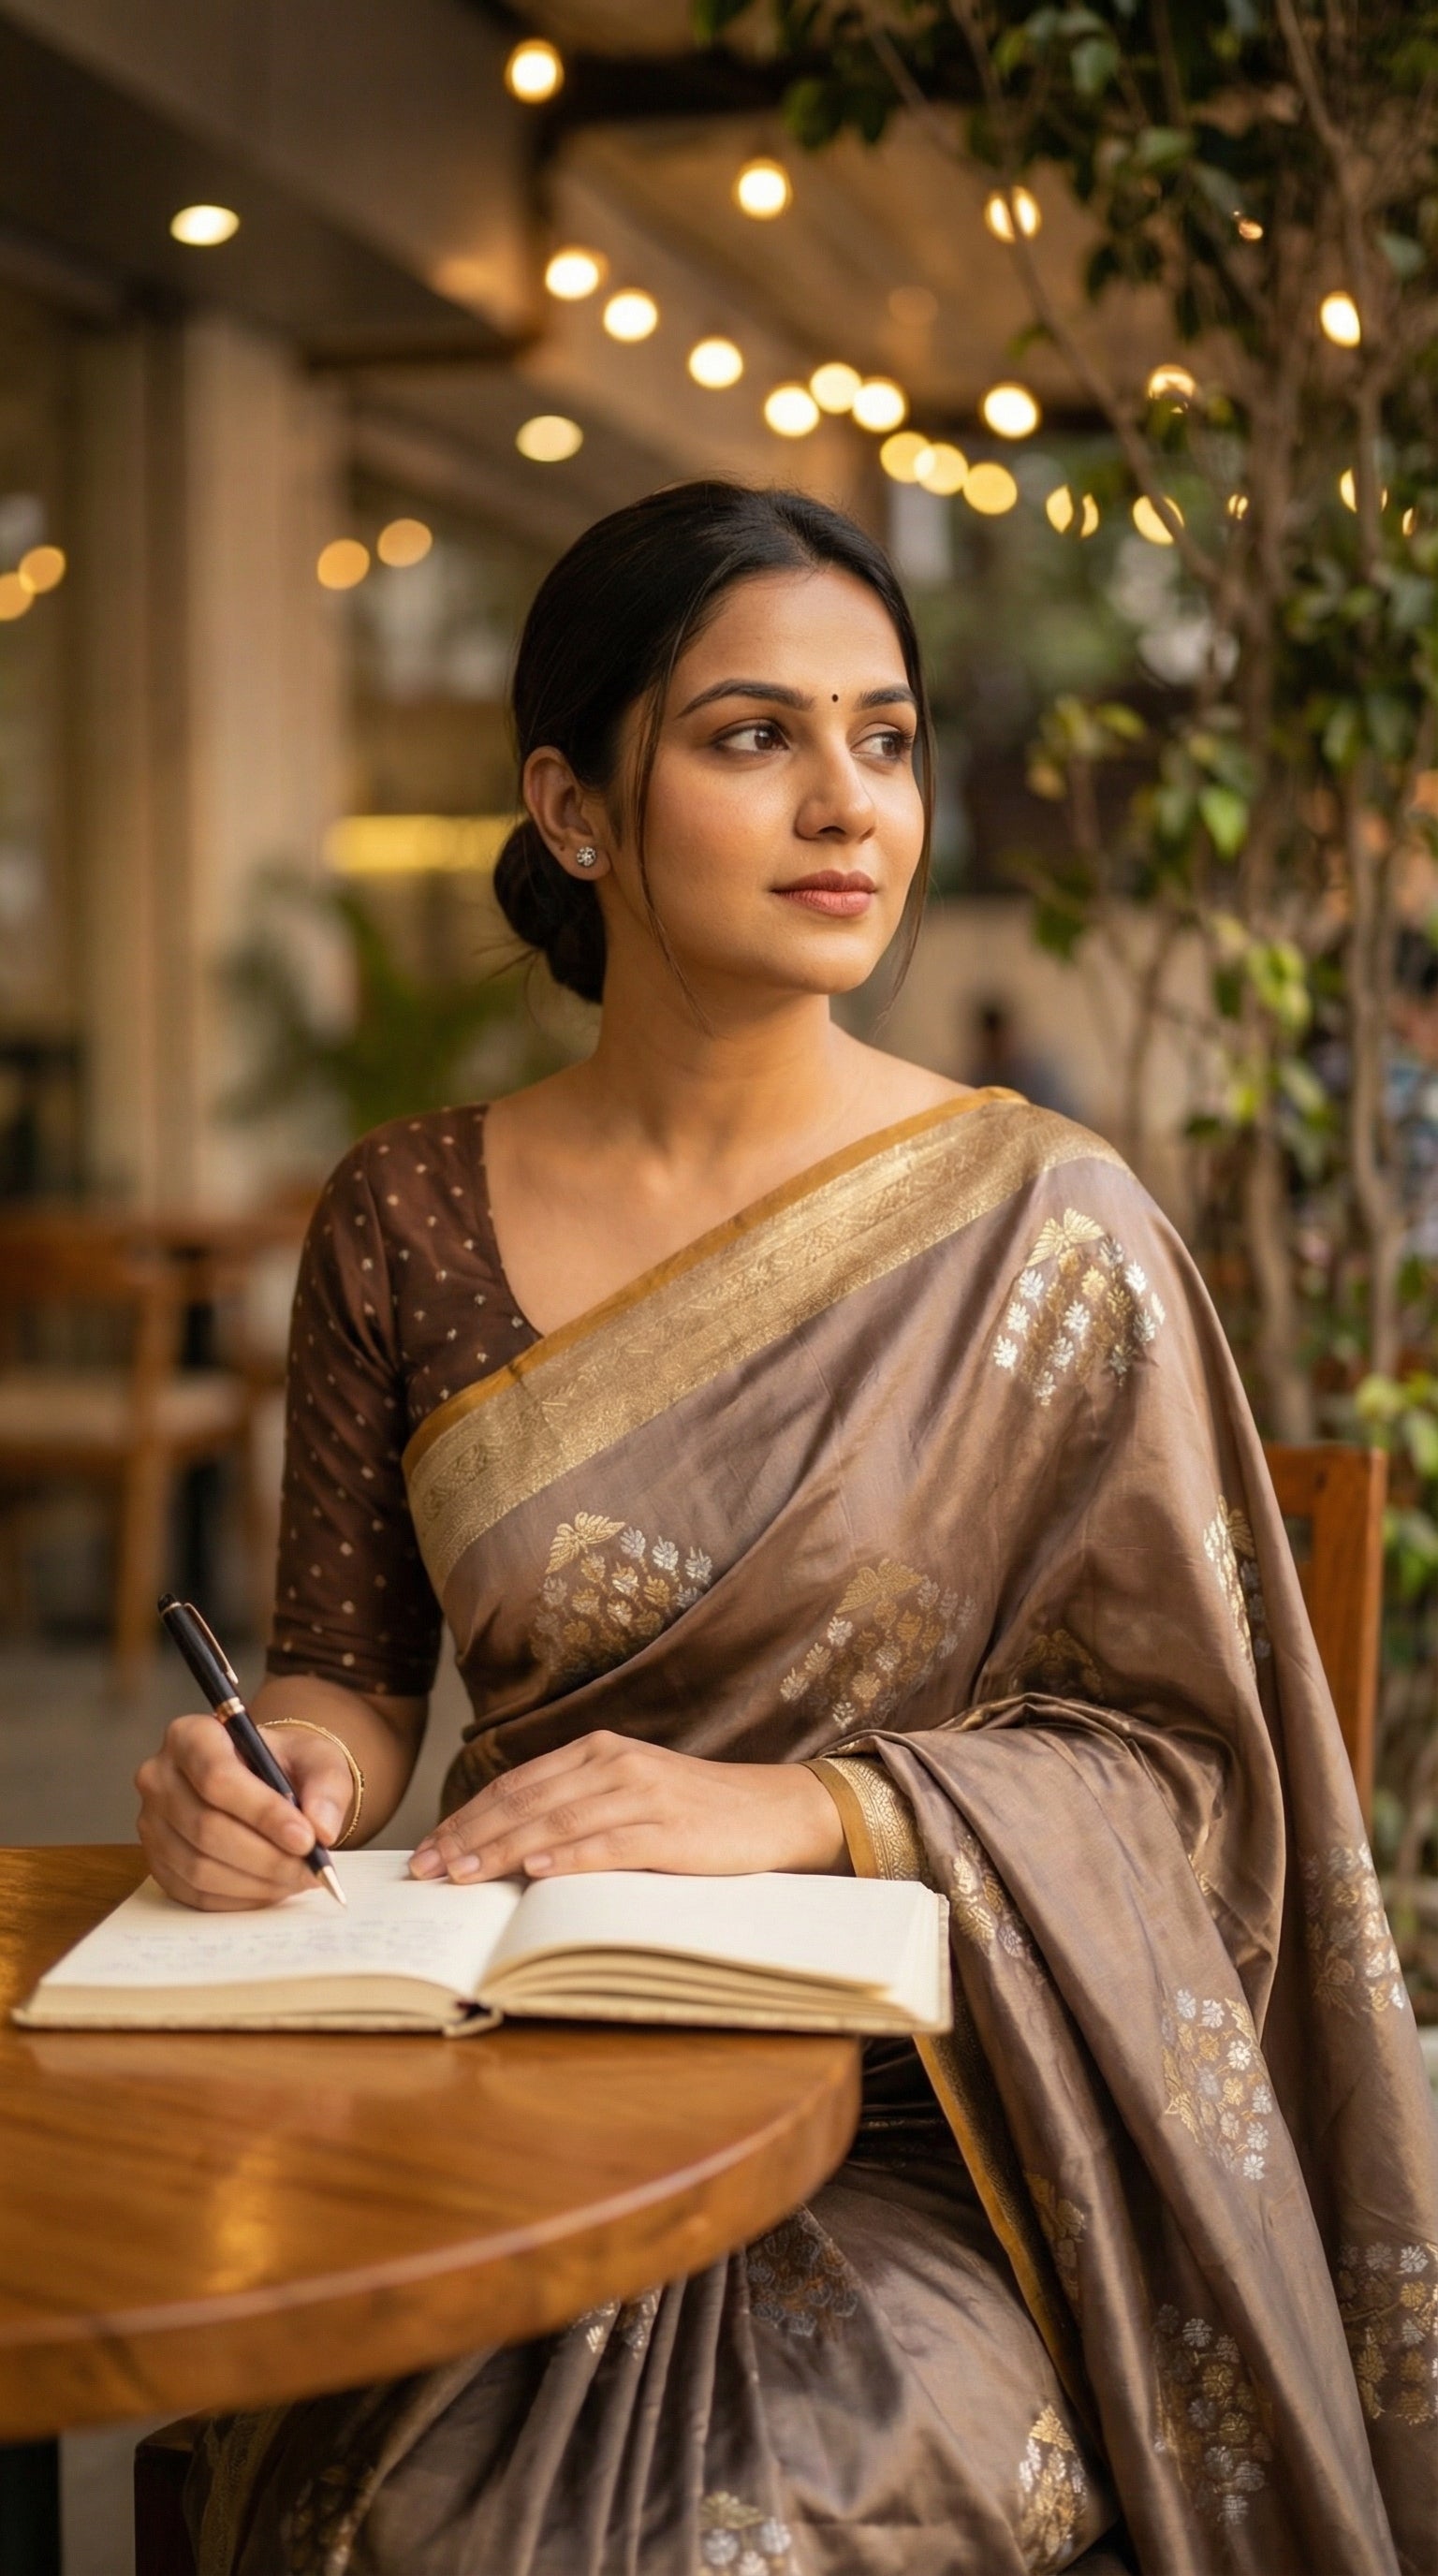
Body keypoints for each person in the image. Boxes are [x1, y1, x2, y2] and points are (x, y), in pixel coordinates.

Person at [136, 482, 1437, 2576]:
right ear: (575, 806)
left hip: (940, 2115)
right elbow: (349, 1675)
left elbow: (1206, 1775)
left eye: (888, 736)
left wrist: (816, 1810)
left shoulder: (1051, 1230)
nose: (853, 805)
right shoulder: (404, 1215)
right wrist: (275, 1768)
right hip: (509, 2067)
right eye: (756, 737)